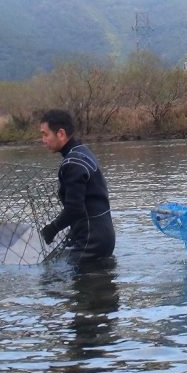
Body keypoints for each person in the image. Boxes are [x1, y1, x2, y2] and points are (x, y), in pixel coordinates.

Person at [39, 109, 116, 266]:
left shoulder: (72, 164)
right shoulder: (83, 152)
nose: (43, 140)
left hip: (91, 242)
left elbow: (75, 209)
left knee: (80, 287)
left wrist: (51, 229)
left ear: (60, 133)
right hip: (104, 237)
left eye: (45, 134)